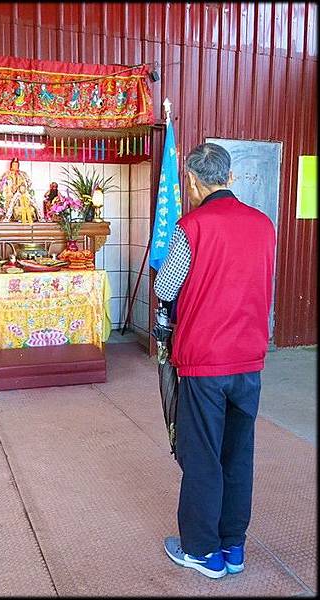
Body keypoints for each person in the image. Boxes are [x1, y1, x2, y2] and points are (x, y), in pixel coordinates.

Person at [154, 143, 276, 579]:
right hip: (250, 360)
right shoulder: (264, 225)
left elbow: (166, 287)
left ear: (191, 181)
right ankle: (233, 548)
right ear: (229, 176)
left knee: (202, 455)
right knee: (238, 454)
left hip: (205, 362)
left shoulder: (193, 226)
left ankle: (202, 552)